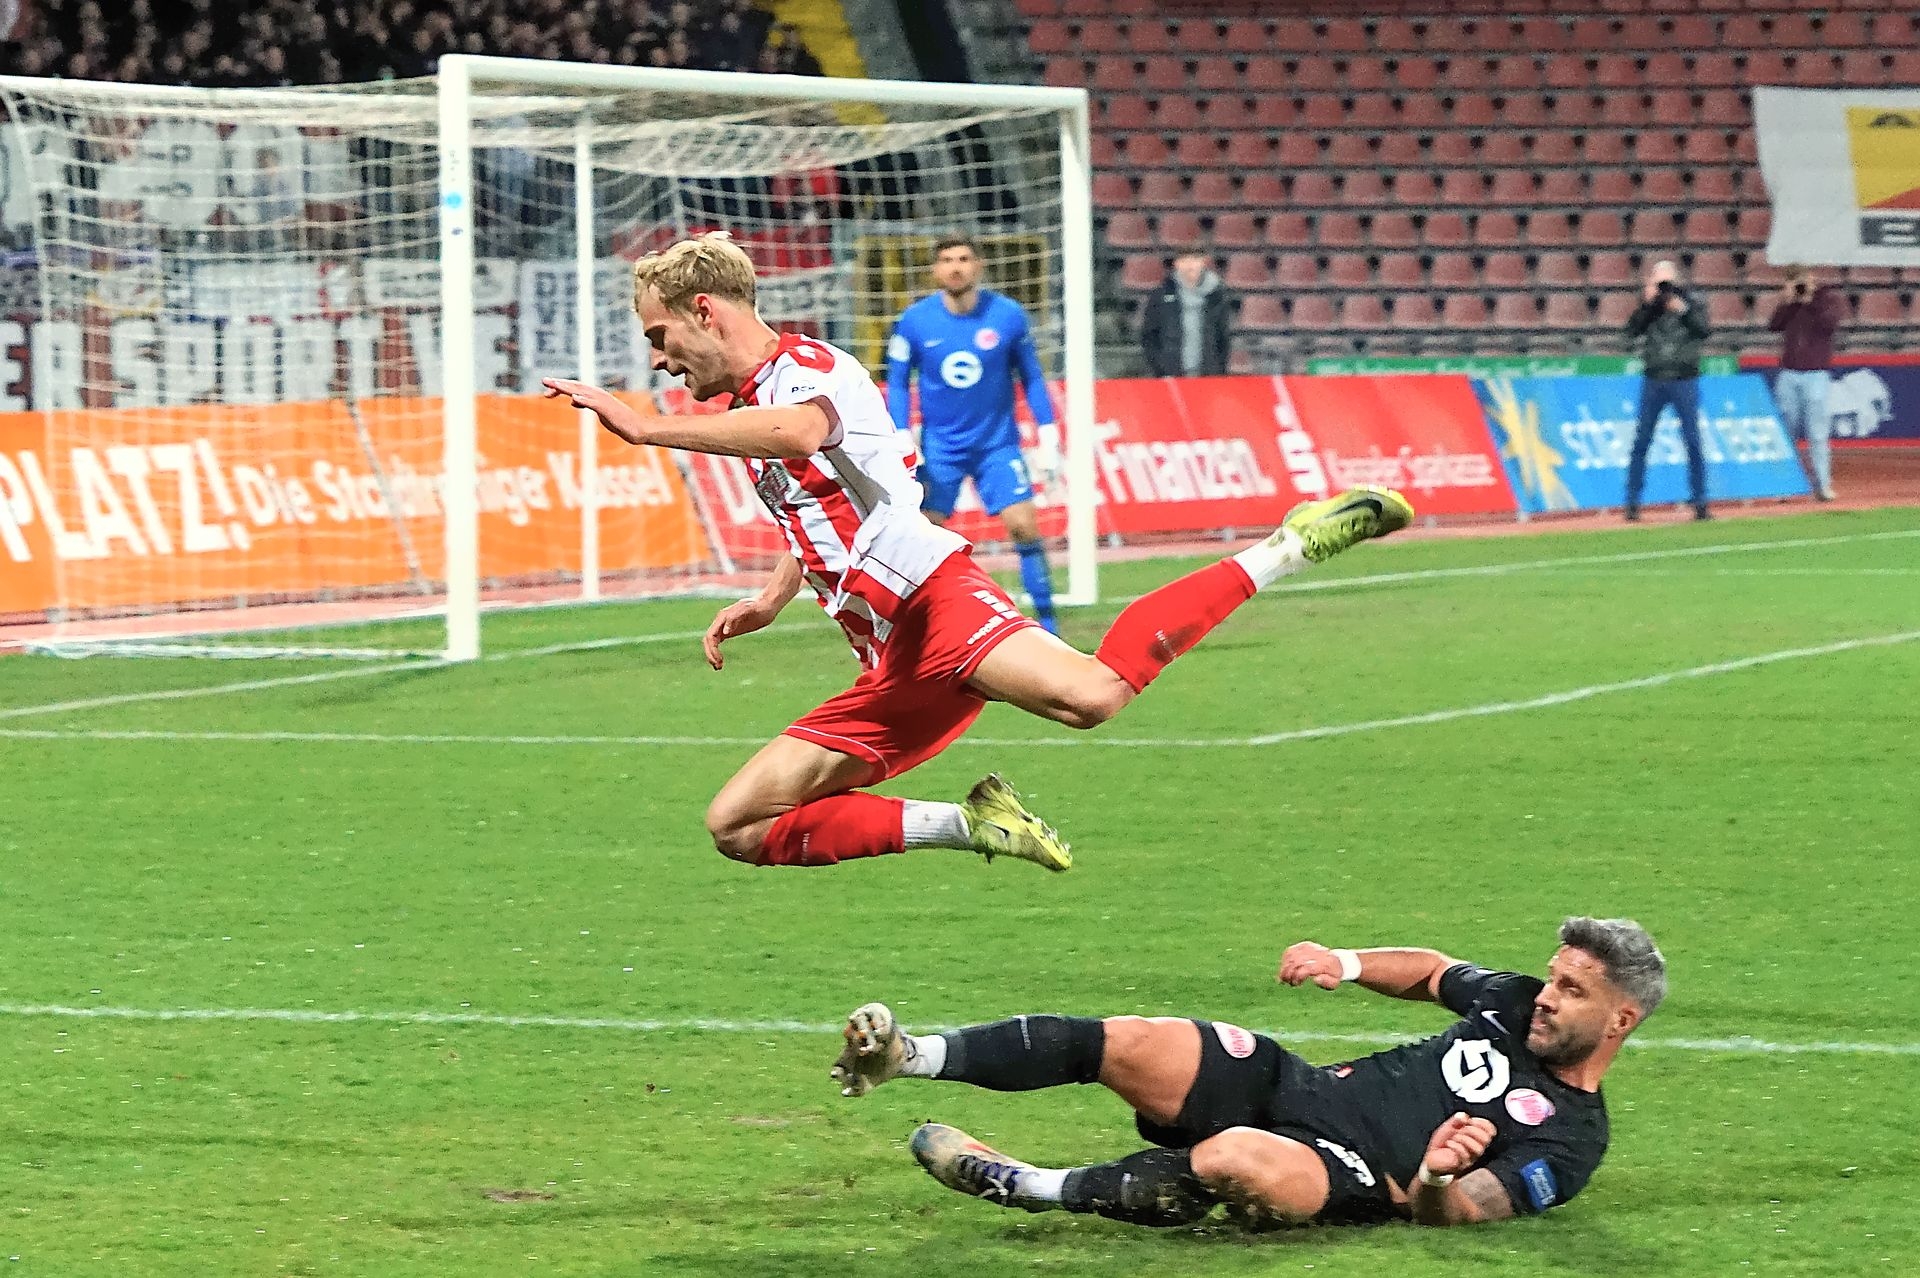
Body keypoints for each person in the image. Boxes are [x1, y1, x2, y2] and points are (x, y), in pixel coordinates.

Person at [543, 232, 1413, 874]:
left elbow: (802, 434)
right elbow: (818, 496)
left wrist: (647, 429)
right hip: (890, 652)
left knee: (1091, 696)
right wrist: (773, 597)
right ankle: (973, 823)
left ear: (705, 311)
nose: (659, 360)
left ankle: (1287, 547)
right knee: (737, 824)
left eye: (659, 337)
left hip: (931, 597)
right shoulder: (754, 401)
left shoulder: (809, 370)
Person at [832, 916, 1664, 1229]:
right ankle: (909, 1057)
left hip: (1352, 1173)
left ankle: (1025, 1184)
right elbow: (1433, 971)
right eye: (1553, 978)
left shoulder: (1573, 1139)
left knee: (1235, 1158)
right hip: (1304, 1089)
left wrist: (1440, 1176)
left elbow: (1464, 1213)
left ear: (1620, 1020)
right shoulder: (1513, 1001)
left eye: (1572, 990)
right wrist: (1343, 960)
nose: (1546, 997)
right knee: (1140, 1040)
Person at [886, 236, 1065, 633]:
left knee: (1024, 526)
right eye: (947, 259)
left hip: (996, 445)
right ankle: (920, 626)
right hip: (940, 449)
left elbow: (1032, 377)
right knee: (924, 536)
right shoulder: (915, 321)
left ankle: (1049, 625)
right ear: (935, 269)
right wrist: (901, 433)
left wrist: (1048, 433)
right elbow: (897, 382)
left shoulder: (1008, 316)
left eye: (964, 259)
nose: (956, 267)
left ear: (978, 265)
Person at [1622, 259, 1713, 522]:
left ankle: (1700, 501)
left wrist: (1682, 309)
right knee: (1642, 440)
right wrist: (1648, 304)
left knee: (1693, 441)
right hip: (1655, 378)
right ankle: (1632, 502)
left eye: (1667, 281)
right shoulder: (1650, 308)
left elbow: (1704, 330)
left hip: (1684, 378)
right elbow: (1631, 331)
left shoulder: (1693, 302)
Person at [1766, 265, 1846, 502]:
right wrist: (1787, 301)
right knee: (1786, 432)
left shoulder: (1828, 299)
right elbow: (1774, 325)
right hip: (1789, 373)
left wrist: (1811, 300)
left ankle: (1822, 485)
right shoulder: (1792, 304)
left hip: (1816, 374)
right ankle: (1784, 485)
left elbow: (1829, 324)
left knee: (1817, 433)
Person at [1139, 249, 1232, 379]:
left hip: (1208, 376)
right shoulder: (1160, 295)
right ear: (1176, 264)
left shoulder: (1217, 296)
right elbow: (1149, 336)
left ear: (1203, 262)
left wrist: (1217, 370)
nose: (1190, 265)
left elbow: (1223, 337)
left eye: (1194, 259)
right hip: (1170, 376)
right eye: (1185, 260)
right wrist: (1160, 368)